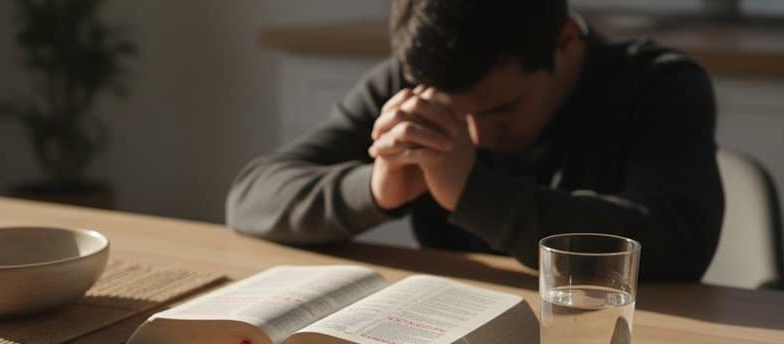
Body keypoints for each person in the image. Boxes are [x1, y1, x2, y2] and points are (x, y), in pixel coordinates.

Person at [226, 1, 724, 281]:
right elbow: (252, 196)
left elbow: (679, 241)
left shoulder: (658, 87)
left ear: (567, 41)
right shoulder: (409, 87)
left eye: (503, 108)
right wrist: (374, 191)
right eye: (456, 114)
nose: (479, 135)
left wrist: (472, 194)